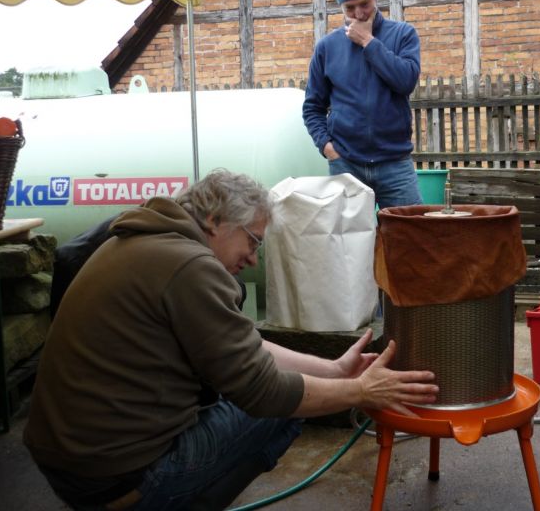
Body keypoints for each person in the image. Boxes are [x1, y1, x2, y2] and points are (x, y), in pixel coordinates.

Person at [24, 168, 438, 510]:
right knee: (285, 407)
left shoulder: (146, 242)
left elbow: (241, 344)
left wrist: (332, 370)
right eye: (253, 240)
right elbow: (265, 391)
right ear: (215, 221)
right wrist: (360, 391)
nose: (253, 258)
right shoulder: (188, 266)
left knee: (283, 390)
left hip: (73, 467)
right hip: (119, 479)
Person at [302, 0, 423, 208]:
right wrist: (327, 147)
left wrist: (369, 42)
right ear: (341, 7)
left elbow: (405, 82)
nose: (358, 14)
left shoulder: (403, 35)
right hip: (346, 164)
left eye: (364, 4)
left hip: (395, 163)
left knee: (410, 230)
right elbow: (312, 107)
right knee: (348, 234)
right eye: (350, 7)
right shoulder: (327, 47)